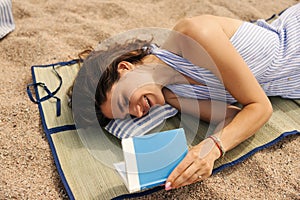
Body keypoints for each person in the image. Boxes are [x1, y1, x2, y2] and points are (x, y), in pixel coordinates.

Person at [69, 3, 299, 191]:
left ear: (125, 68)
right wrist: (183, 158)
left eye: (124, 101)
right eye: (128, 114)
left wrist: (213, 148)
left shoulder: (193, 35)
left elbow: (259, 108)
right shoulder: (172, 96)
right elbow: (234, 119)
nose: (137, 112)